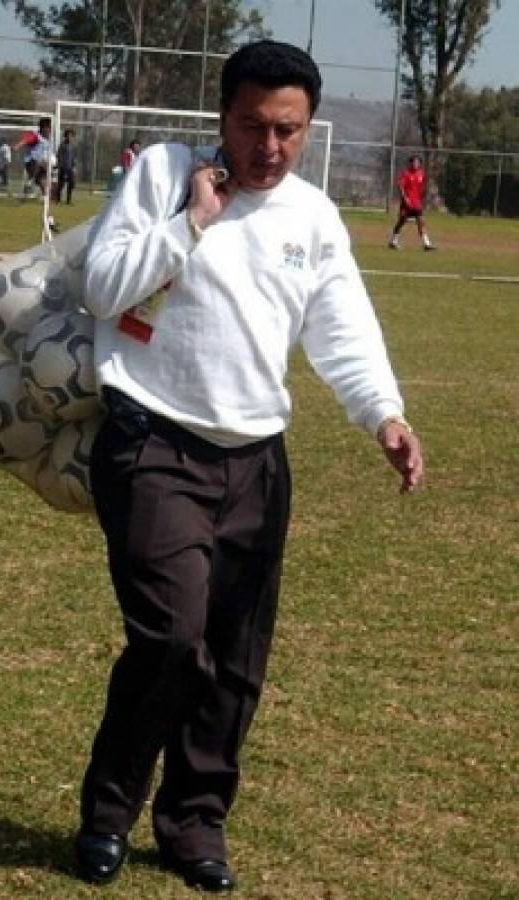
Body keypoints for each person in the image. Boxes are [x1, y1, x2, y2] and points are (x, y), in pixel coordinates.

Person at [77, 40, 424, 893]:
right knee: (170, 637)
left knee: (235, 661)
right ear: (220, 118)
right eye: (250, 126)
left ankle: (195, 824)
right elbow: (102, 286)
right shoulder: (163, 173)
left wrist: (381, 413)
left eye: (288, 130)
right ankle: (107, 815)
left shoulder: (311, 217)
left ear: (308, 127)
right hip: (153, 443)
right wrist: (191, 219)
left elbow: (341, 327)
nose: (268, 148)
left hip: (255, 461)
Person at [389, 155, 436, 251]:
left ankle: (426, 244)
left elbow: (422, 188)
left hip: (416, 203)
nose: (416, 164)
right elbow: (400, 186)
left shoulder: (421, 174)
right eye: (414, 162)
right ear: (410, 163)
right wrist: (405, 197)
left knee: (420, 222)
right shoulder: (406, 173)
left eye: (418, 162)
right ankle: (393, 241)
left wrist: (422, 198)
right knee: (401, 221)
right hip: (407, 203)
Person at [14, 117, 52, 196]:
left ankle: (45, 196)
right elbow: (26, 140)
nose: (50, 130)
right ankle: (29, 181)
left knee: (41, 180)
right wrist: (17, 146)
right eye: (48, 128)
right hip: (31, 162)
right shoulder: (36, 136)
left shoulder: (47, 140)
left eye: (50, 128)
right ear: (43, 128)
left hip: (41, 163)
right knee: (38, 165)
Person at [55, 128, 76, 204]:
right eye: (68, 135)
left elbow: (73, 157)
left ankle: (68, 200)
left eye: (71, 136)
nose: (70, 137)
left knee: (71, 183)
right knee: (61, 184)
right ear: (65, 136)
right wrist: (61, 165)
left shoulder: (72, 146)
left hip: (70, 168)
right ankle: (57, 199)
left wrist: (74, 167)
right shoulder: (62, 145)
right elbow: (58, 155)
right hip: (63, 168)